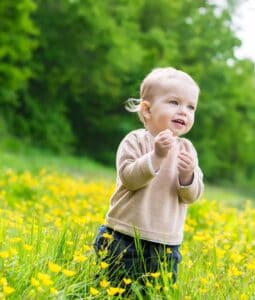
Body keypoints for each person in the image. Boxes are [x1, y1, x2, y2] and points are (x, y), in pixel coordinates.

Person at [93, 67, 204, 289]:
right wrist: (156, 156)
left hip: (166, 245)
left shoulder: (187, 149)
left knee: (155, 293)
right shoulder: (135, 141)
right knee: (111, 290)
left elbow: (191, 196)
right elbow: (129, 178)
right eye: (174, 102)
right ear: (147, 110)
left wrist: (187, 175)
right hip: (124, 237)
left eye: (191, 106)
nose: (183, 111)